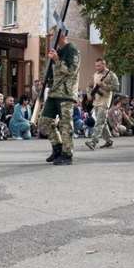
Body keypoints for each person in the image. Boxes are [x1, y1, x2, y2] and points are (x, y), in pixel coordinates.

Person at [38, 28, 80, 165]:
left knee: (66, 124)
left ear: (61, 35)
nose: (50, 38)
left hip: (66, 93)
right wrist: (43, 83)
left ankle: (67, 154)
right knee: (44, 122)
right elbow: (52, 73)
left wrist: (57, 60)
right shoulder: (57, 51)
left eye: (52, 35)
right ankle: (57, 148)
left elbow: (71, 71)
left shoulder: (72, 50)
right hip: (54, 92)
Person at [85, 58, 120, 149]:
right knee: (102, 122)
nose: (97, 67)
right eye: (96, 65)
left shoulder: (111, 75)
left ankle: (93, 142)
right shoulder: (95, 75)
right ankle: (108, 140)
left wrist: (103, 85)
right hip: (96, 102)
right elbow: (89, 86)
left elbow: (116, 88)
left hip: (105, 102)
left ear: (104, 65)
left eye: (99, 65)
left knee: (99, 122)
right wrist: (89, 94)